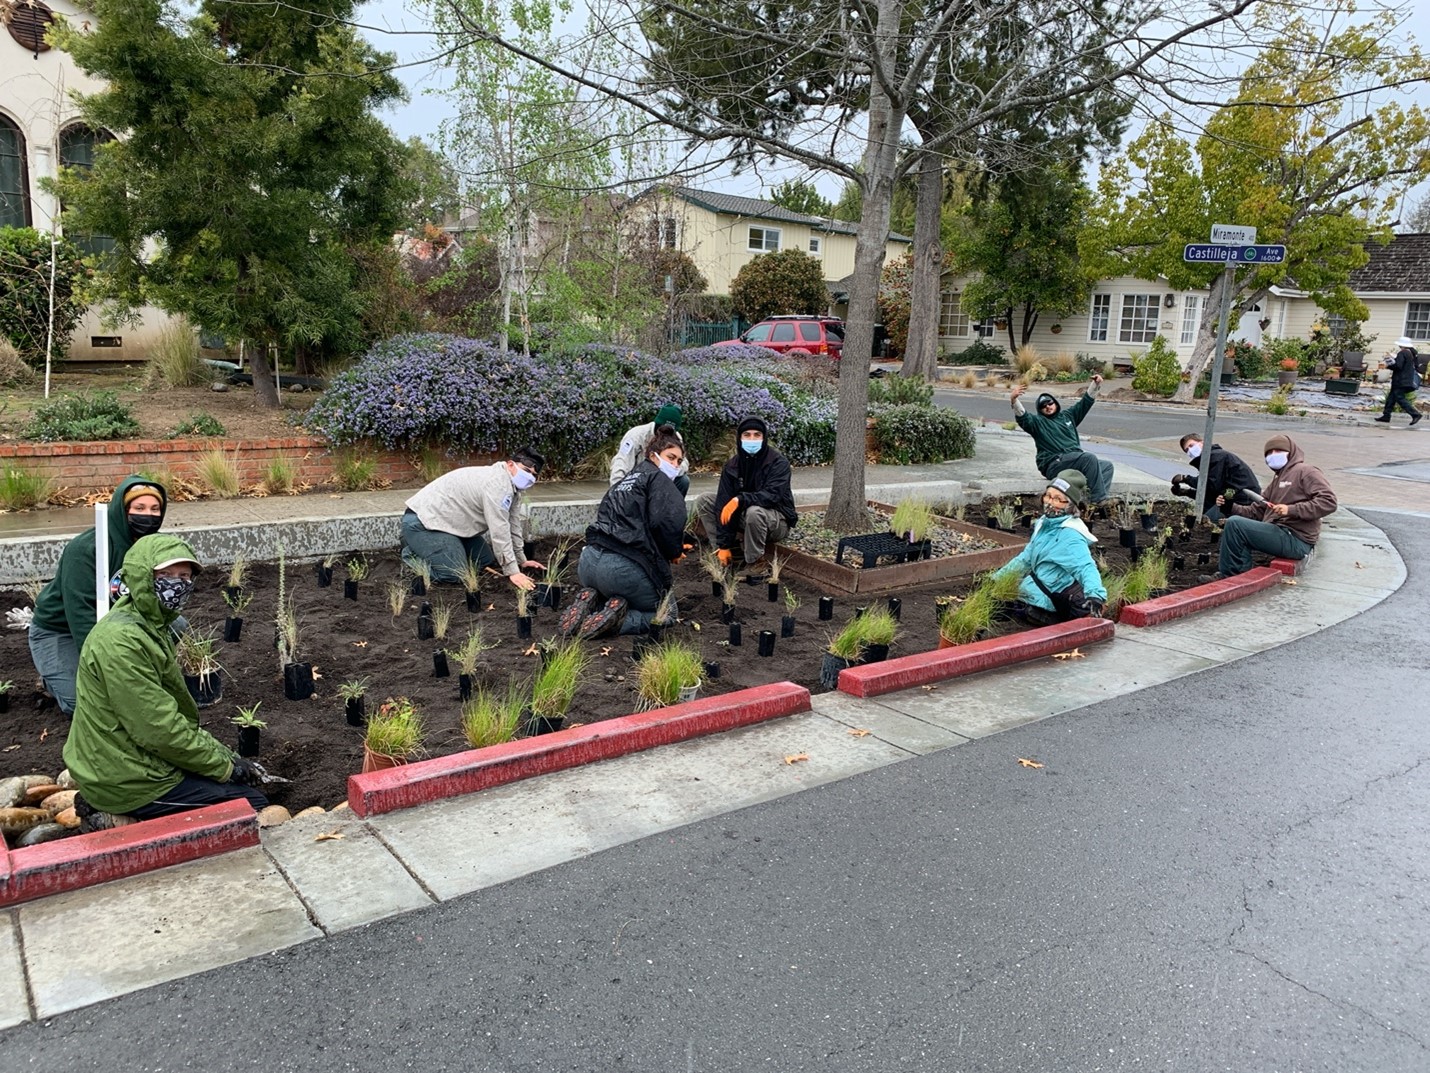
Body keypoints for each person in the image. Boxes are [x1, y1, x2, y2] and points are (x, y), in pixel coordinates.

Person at [62, 535, 268, 832]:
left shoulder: (148, 623)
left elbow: (162, 719)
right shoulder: (121, 641)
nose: (177, 583)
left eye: (184, 576)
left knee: (232, 791)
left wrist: (227, 757)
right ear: (142, 577)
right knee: (251, 808)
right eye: (165, 575)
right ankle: (112, 816)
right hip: (128, 777)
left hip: (128, 759)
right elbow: (158, 729)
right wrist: (226, 768)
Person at [27, 476, 170, 715]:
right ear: (122, 511)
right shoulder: (85, 549)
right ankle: (50, 679)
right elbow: (80, 615)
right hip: (62, 630)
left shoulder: (151, 547)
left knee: (176, 625)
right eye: (140, 508)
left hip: (118, 624)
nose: (149, 515)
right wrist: (104, 668)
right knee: (85, 703)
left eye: (155, 509)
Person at [562, 425, 688, 638]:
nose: (675, 465)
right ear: (653, 456)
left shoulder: (625, 481)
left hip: (589, 564)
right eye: (671, 457)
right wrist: (674, 551)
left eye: (678, 460)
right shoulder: (659, 480)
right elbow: (665, 522)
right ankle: (619, 622)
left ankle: (594, 604)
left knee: (617, 594)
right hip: (622, 571)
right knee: (668, 612)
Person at [400, 447, 546, 588]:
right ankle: (411, 553)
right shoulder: (498, 486)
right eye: (526, 470)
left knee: (484, 560)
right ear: (510, 464)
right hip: (423, 523)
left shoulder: (513, 488)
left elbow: (512, 523)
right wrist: (513, 572)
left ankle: (442, 550)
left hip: (450, 524)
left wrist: (521, 560)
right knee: (455, 574)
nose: (529, 476)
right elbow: (499, 530)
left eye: (534, 475)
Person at [1204, 434, 1337, 580]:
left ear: (1291, 452)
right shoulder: (1277, 481)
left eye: (1279, 451)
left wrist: (1291, 510)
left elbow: (1328, 502)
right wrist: (1230, 507)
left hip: (1296, 539)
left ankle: (1233, 576)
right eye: (1269, 453)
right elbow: (1256, 512)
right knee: (1236, 524)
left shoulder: (1306, 472)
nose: (1273, 455)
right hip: (1281, 533)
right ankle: (1238, 574)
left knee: (1235, 525)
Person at [992, 470, 1106, 624]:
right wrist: (996, 579)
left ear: (1071, 506)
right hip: (1031, 598)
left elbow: (1085, 567)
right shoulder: (1044, 523)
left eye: (1059, 499)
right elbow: (1025, 559)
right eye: (1049, 496)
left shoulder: (1070, 535)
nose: (1050, 502)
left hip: (1047, 607)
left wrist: (1095, 595)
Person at [695, 416, 798, 571]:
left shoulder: (778, 463)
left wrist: (740, 499)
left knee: (754, 512)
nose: (752, 439)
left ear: (764, 438)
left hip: (775, 521)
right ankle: (727, 552)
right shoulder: (732, 465)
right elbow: (723, 503)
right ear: (740, 438)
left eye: (757, 435)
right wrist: (724, 543)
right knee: (705, 500)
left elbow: (772, 496)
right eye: (747, 435)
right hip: (745, 518)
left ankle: (755, 562)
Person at [1010, 376, 1114, 503]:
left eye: (1050, 403)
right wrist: (1014, 400)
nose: (1048, 407)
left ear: (1055, 403)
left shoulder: (1068, 416)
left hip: (1074, 460)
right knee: (1089, 459)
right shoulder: (1038, 423)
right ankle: (1099, 500)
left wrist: (1095, 384)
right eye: (1044, 406)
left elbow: (1085, 403)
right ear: (1040, 410)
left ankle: (1088, 501)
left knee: (1107, 466)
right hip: (1054, 463)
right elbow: (1023, 417)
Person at [1170, 434, 1259, 521]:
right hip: (1233, 494)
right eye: (1187, 450)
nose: (1190, 450)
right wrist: (1187, 492)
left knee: (1208, 520)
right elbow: (1212, 491)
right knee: (1208, 510)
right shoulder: (1211, 458)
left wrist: (1185, 478)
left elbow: (1211, 485)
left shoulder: (1216, 457)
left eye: (1191, 445)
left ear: (1203, 443)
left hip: (1243, 498)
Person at [611, 404, 690, 496]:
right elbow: (621, 463)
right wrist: (616, 494)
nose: (664, 435)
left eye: (669, 432)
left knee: (683, 481)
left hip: (662, 480)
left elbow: (684, 463)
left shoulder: (677, 438)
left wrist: (670, 468)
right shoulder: (635, 436)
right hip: (637, 482)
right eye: (662, 430)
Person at [1373, 337, 1423, 426]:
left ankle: (1415, 414)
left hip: (1400, 380)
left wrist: (1389, 364)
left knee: (1400, 398)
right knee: (1391, 398)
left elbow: (1398, 366)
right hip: (1407, 379)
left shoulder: (1402, 353)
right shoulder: (1411, 353)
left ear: (1401, 345)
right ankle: (1386, 415)